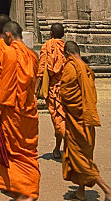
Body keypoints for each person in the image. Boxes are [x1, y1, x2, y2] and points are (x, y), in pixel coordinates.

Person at [0, 21, 40, 201]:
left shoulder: (10, 53)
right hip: (29, 110)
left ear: (8, 36)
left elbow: (7, 85)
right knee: (29, 153)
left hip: (12, 111)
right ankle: (29, 189)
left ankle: (28, 192)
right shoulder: (33, 55)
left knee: (13, 151)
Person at [59, 40, 111, 201]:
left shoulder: (71, 67)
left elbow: (66, 94)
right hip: (88, 117)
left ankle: (107, 189)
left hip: (77, 120)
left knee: (79, 157)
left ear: (67, 54)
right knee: (83, 155)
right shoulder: (86, 69)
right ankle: (80, 192)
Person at [36, 22, 66, 159]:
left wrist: (35, 90)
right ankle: (61, 147)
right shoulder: (68, 48)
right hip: (67, 90)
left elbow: (41, 70)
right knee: (63, 119)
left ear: (51, 34)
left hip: (54, 90)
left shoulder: (47, 47)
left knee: (58, 120)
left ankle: (65, 147)